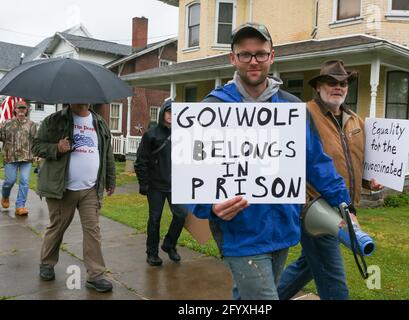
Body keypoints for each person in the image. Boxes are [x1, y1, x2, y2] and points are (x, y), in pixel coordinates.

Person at [188, 23, 351, 300]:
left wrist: (343, 203)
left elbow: (316, 161)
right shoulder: (212, 109)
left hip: (283, 228)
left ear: (271, 57)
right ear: (232, 59)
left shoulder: (291, 108)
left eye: (260, 54)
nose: (253, 61)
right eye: (245, 54)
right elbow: (190, 170)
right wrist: (209, 207)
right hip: (241, 232)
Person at [277, 60, 383, 300]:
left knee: (307, 266)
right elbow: (288, 159)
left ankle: (264, 300)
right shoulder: (303, 115)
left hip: (345, 208)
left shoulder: (355, 120)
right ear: (318, 87)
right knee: (335, 285)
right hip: (316, 209)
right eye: (331, 82)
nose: (338, 87)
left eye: (343, 83)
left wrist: (370, 182)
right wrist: (301, 199)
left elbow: (356, 161)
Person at [32, 103, 116, 293]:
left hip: (90, 189)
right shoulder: (54, 120)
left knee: (93, 231)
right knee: (57, 227)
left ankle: (95, 275)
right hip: (63, 188)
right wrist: (57, 148)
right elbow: (36, 146)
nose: (85, 100)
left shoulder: (99, 122)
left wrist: (110, 178)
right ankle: (47, 263)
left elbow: (106, 153)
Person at [134, 99, 188, 266]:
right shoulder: (151, 135)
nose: (171, 116)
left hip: (175, 185)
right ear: (163, 113)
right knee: (155, 219)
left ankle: (169, 245)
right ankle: (152, 253)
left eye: (174, 113)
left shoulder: (183, 134)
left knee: (181, 215)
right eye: (168, 112)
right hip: (155, 186)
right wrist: (143, 183)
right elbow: (140, 161)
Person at [0, 100, 37, 216]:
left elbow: (35, 141)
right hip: (10, 158)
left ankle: (20, 206)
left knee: (24, 182)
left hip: (27, 158)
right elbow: (2, 138)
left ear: (26, 110)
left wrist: (37, 154)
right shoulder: (7, 123)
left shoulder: (32, 125)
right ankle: (5, 196)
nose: (21, 110)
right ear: (15, 109)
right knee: (9, 181)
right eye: (19, 108)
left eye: (23, 108)